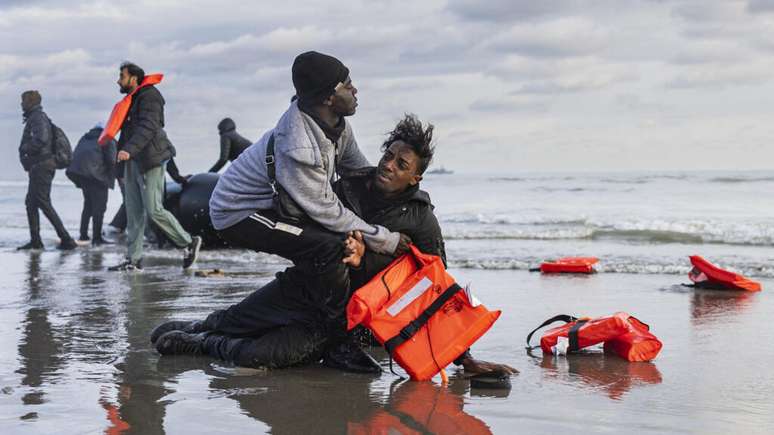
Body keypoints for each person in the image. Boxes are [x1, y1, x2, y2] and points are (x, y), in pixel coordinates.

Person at [154, 115, 516, 377]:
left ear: (415, 177)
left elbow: (437, 290)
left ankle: (204, 344)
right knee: (235, 320)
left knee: (262, 355)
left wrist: (464, 358)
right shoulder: (349, 187)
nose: (388, 165)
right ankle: (203, 326)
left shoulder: (421, 220)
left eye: (401, 163)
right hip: (302, 286)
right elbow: (310, 233)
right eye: (388, 155)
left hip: (342, 316)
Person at [208, 51, 408, 336]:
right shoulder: (297, 145)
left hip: (281, 203)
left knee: (322, 255)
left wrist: (406, 196)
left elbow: (361, 173)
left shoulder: (338, 126)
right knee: (329, 247)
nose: (355, 90)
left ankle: (291, 314)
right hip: (239, 212)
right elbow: (326, 210)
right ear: (328, 97)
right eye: (347, 84)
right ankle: (336, 335)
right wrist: (385, 239)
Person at [107, 62, 201, 271]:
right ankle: (133, 260)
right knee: (133, 212)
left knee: (153, 209)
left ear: (133, 78)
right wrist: (120, 168)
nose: (118, 81)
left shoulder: (150, 96)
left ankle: (188, 242)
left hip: (150, 160)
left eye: (121, 76)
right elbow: (126, 135)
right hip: (131, 161)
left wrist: (129, 149)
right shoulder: (131, 100)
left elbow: (148, 127)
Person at [17, 90, 78, 250]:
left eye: (23, 101)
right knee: (31, 203)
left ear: (30, 102)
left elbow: (41, 139)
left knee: (43, 202)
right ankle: (36, 241)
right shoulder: (35, 117)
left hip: (43, 166)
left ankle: (66, 239)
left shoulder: (38, 117)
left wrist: (25, 148)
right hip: (40, 165)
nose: (21, 104)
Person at [65, 123, 117, 245]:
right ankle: (97, 238)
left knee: (88, 205)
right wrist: (114, 175)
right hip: (98, 176)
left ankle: (83, 235)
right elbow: (111, 160)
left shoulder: (85, 138)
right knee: (100, 208)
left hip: (83, 175)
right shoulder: (107, 138)